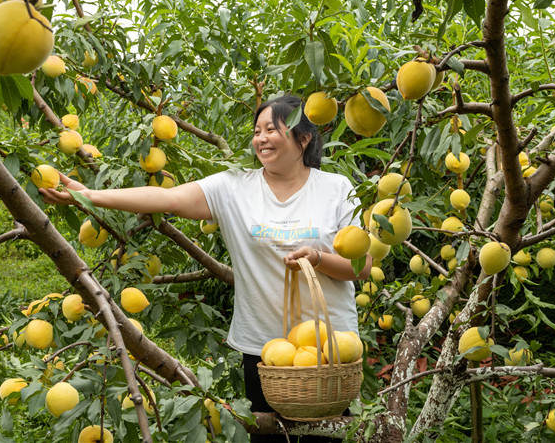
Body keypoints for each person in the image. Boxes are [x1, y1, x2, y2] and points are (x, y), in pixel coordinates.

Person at [40, 94, 372, 442]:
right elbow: (167, 199)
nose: (260, 138)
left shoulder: (337, 189)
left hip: (330, 347)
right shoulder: (234, 186)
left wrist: (317, 258)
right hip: (265, 348)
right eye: (257, 130)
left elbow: (361, 268)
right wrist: (89, 195)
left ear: (303, 138)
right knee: (269, 437)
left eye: (272, 129)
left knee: (330, 438)